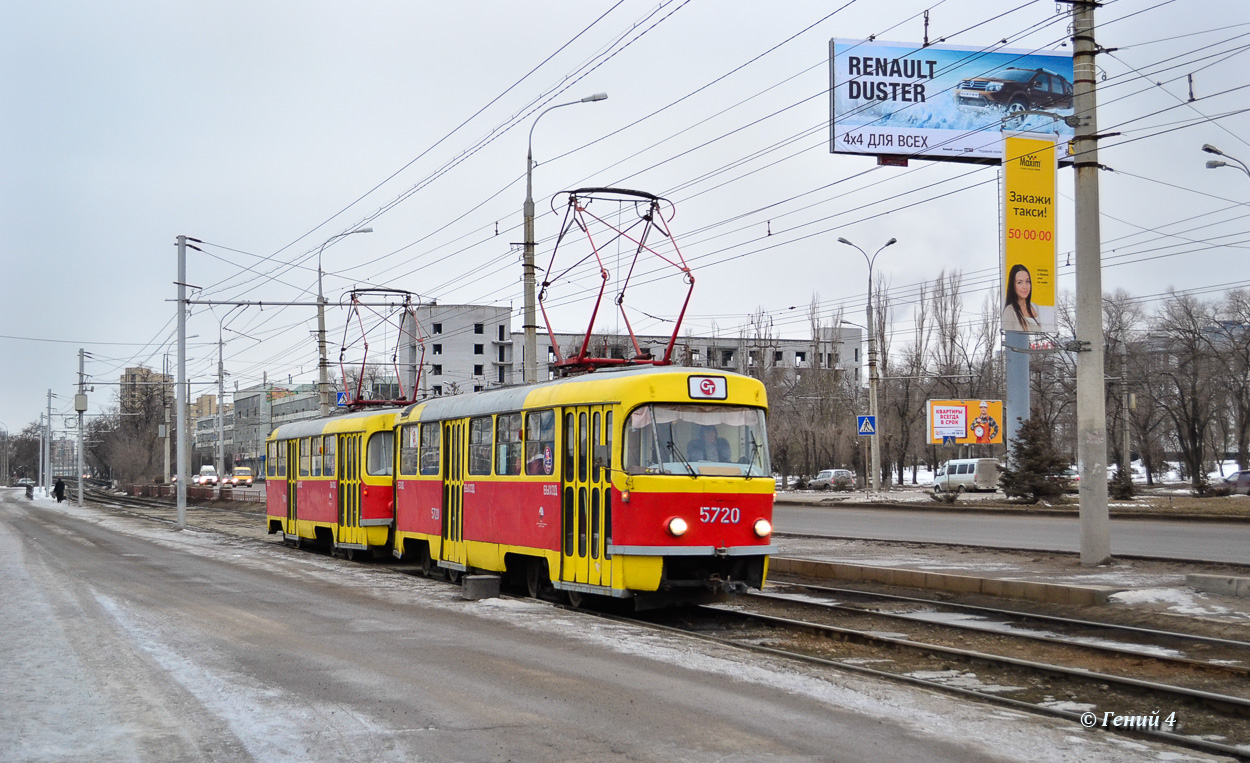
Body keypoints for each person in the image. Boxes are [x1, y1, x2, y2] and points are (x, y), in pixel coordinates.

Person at [1001, 263, 1041, 332]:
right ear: (1012, 285)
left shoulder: (1035, 307)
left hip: (1038, 343)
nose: (1025, 287)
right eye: (1019, 282)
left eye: (1027, 281)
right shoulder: (1009, 311)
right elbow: (1009, 339)